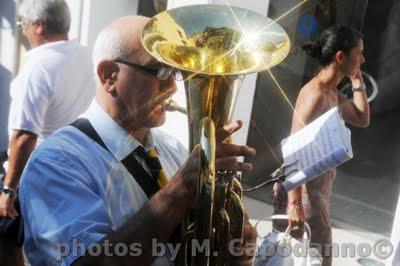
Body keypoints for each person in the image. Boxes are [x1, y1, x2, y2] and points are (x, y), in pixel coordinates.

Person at [18, 16, 257, 265]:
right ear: (109, 76)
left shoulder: (172, 148)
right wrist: (179, 190)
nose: (173, 87)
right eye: (160, 70)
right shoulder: (55, 162)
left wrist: (234, 250)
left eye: (175, 71)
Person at [0, 0, 95, 265]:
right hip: (77, 164)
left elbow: (24, 136)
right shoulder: (83, 53)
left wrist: (8, 191)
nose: (23, 30)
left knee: (7, 238)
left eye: (23, 24)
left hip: (36, 171)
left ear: (39, 25)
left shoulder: (37, 67)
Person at [273, 25, 370, 266]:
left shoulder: (333, 94)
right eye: (358, 53)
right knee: (312, 260)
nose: (363, 58)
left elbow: (361, 117)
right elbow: (293, 150)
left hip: (316, 194)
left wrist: (357, 80)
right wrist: (294, 205)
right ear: (340, 57)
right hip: (304, 192)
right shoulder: (316, 94)